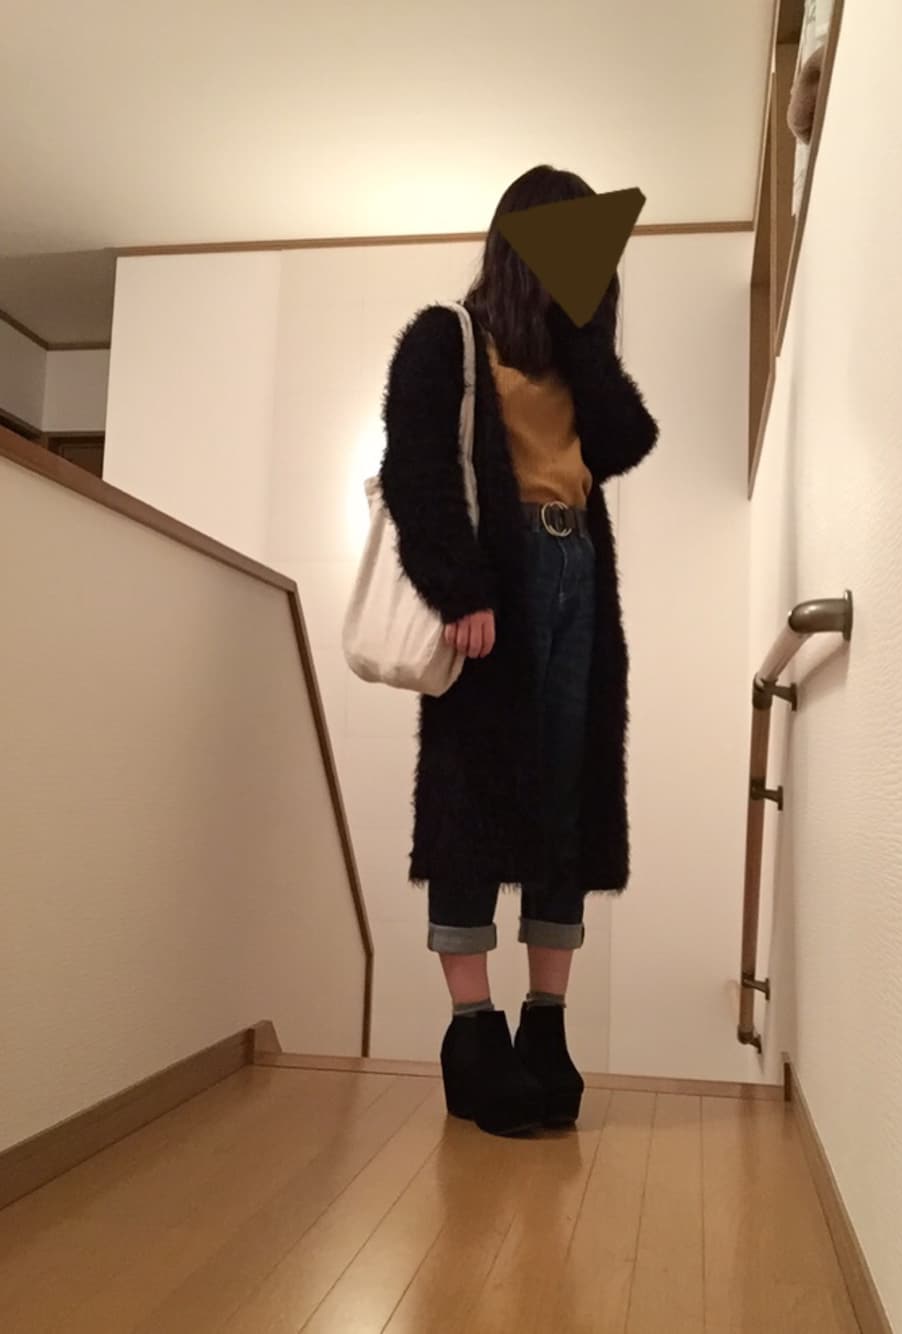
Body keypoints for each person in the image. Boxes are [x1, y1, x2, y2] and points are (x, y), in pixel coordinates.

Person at [380, 165, 658, 1137]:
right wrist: (460, 586)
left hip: (578, 572)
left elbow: (625, 439)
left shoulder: (572, 364)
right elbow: (414, 470)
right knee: (471, 795)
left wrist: (583, 337)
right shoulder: (448, 339)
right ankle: (472, 1031)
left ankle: (546, 1027)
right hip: (499, 581)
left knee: (566, 796)